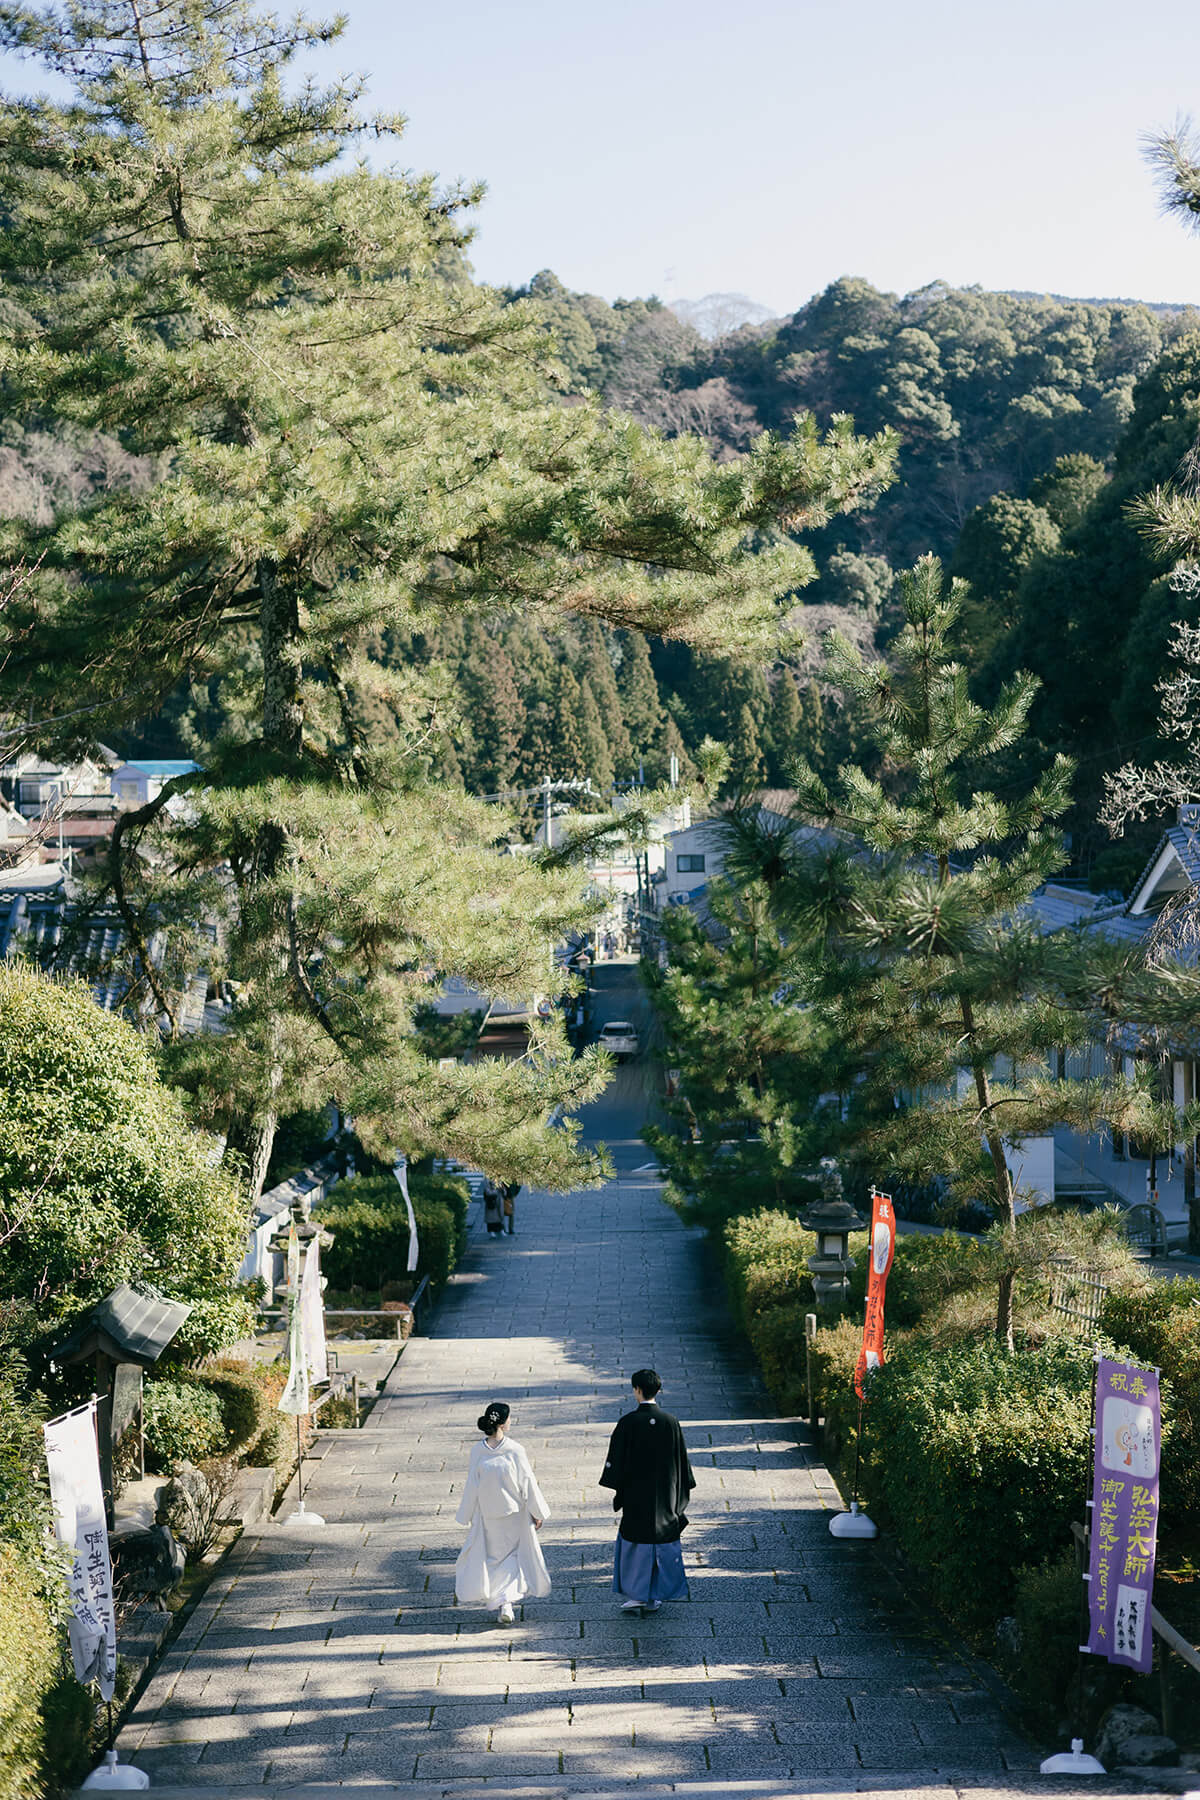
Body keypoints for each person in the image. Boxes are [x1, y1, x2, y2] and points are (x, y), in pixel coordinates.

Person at [599, 1367, 695, 1616]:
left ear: (637, 1390)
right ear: (659, 1390)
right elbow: (682, 1463)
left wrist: (618, 1487)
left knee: (635, 1542)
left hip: (636, 1494)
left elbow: (616, 1462)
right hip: (666, 1495)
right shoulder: (671, 1422)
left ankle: (637, 1595)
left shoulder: (628, 1422)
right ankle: (655, 1595)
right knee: (661, 1541)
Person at [455, 1401, 550, 1625]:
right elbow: (527, 1482)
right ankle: (505, 1601)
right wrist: (538, 1512)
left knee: (496, 1558)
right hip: (510, 1513)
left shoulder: (479, 1451)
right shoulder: (514, 1450)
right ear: (504, 1423)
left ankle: (504, 1603)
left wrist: (466, 1513)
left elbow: (472, 1484)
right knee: (511, 1557)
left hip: (493, 1513)